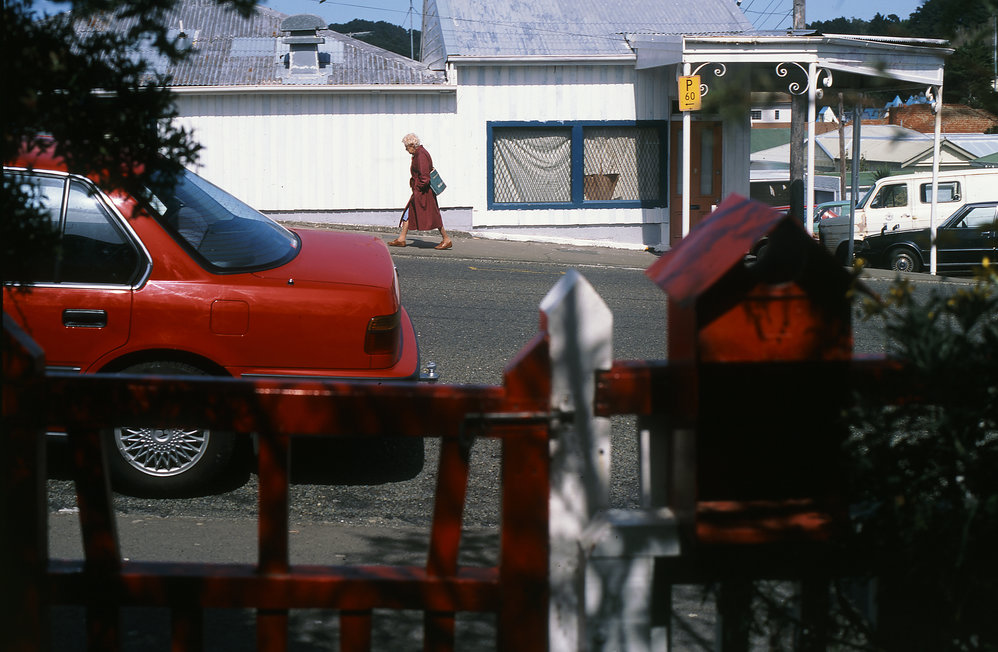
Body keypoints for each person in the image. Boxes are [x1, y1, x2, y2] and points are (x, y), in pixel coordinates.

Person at [388, 133, 452, 250]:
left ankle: (446, 239)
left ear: (412, 145)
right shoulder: (420, 153)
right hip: (421, 192)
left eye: (406, 147)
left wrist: (417, 189)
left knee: (434, 216)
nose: (406, 149)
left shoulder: (421, 155)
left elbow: (425, 178)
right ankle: (401, 239)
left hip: (423, 193)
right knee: (408, 213)